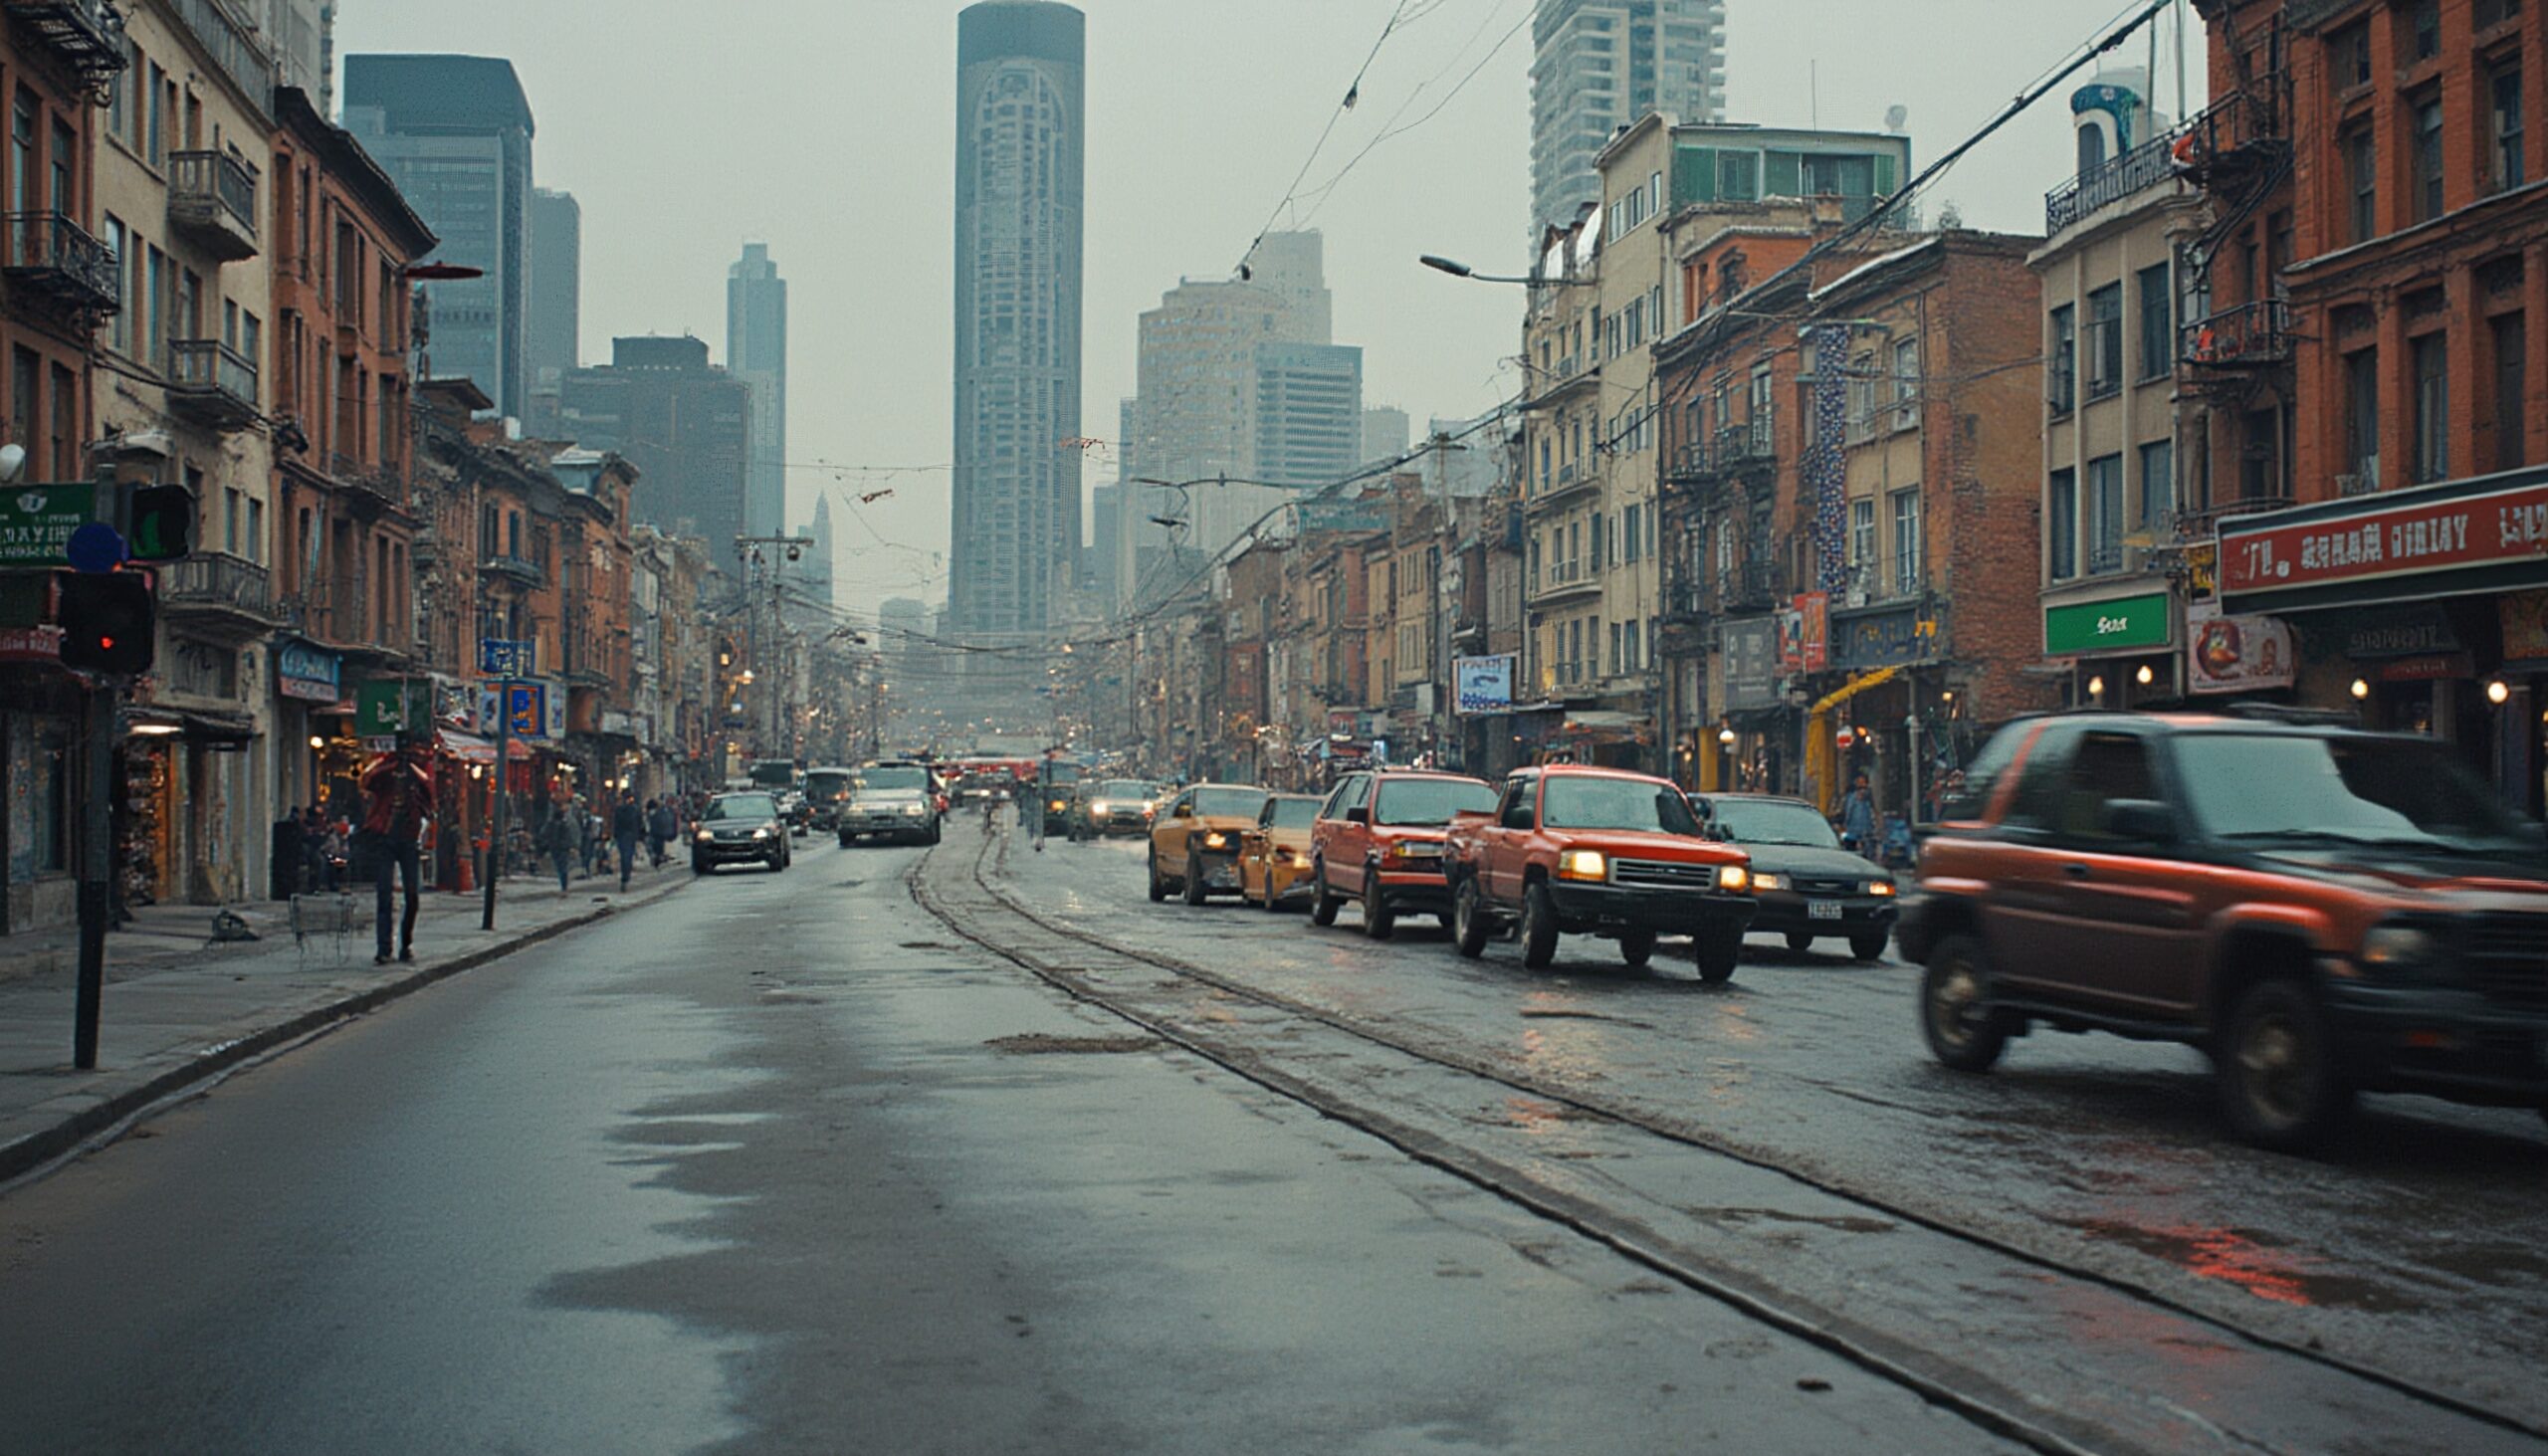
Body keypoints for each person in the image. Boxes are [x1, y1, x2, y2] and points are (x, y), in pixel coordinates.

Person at [357, 745, 432, 965]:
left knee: (412, 894)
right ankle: (384, 948)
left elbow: (429, 792)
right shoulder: (385, 775)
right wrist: (391, 763)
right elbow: (369, 780)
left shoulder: (417, 777)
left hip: (408, 839)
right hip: (385, 836)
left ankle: (405, 943)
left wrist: (410, 767)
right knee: (384, 894)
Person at [1840, 771, 1877, 861]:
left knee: (1868, 854)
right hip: (1852, 830)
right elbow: (1848, 812)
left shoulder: (1868, 799)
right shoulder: (1851, 797)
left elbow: (1874, 812)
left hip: (1866, 830)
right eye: (1859, 783)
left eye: (1863, 783)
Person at [612, 788, 644, 891]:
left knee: (624, 856)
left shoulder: (619, 809)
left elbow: (616, 824)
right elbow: (639, 823)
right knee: (628, 855)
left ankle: (625, 875)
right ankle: (626, 875)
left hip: (623, 835)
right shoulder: (635, 809)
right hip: (630, 835)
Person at [646, 797, 677, 867]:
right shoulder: (666, 811)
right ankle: (659, 857)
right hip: (662, 833)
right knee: (658, 844)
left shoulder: (655, 813)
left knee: (655, 844)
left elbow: (651, 823)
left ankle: (658, 857)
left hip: (657, 833)